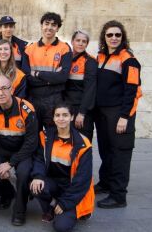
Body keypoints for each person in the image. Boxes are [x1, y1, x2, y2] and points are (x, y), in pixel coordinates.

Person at [94, 20, 142, 209]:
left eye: (117, 35)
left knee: (120, 153)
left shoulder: (129, 59)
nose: (114, 38)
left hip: (119, 114)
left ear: (123, 37)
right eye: (109, 35)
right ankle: (106, 183)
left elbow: (132, 91)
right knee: (106, 150)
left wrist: (125, 117)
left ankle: (118, 195)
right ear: (104, 37)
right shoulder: (100, 56)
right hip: (103, 113)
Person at [0, 75, 38, 226]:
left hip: (22, 151)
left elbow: (32, 142)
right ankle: (8, 194)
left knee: (23, 173)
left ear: (12, 89)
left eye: (4, 88)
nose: (0, 93)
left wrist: (11, 163)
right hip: (2, 150)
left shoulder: (26, 109)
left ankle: (20, 211)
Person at [30, 103, 94, 232]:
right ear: (53, 118)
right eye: (57, 115)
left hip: (72, 190)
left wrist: (65, 203)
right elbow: (39, 159)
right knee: (35, 186)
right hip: (54, 184)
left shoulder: (83, 144)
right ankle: (52, 207)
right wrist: (38, 176)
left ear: (71, 117)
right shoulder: (45, 137)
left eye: (65, 115)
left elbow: (82, 180)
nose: (61, 118)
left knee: (61, 227)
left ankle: (65, 208)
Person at [21, 12, 72, 131]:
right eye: (46, 23)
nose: (49, 27)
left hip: (55, 99)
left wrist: (38, 74)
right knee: (33, 135)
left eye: (53, 25)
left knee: (54, 135)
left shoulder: (64, 48)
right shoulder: (30, 49)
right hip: (33, 98)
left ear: (58, 28)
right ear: (41, 25)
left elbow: (63, 77)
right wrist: (52, 79)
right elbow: (26, 76)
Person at [64, 30, 97, 140]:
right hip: (67, 108)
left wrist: (82, 113)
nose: (81, 43)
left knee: (82, 144)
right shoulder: (66, 59)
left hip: (82, 111)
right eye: (78, 40)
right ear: (72, 42)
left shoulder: (90, 62)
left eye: (84, 41)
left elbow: (90, 90)